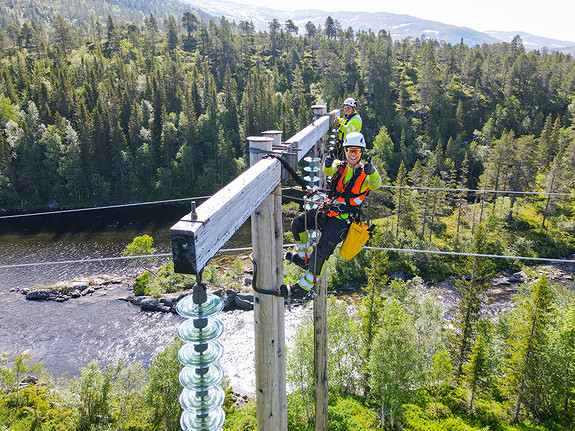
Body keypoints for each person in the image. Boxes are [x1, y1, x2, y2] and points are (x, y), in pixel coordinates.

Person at [285, 132, 381, 299]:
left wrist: (372, 172)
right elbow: (328, 169)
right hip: (327, 211)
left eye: (357, 151)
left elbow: (376, 184)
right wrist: (327, 164)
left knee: (321, 253)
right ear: (345, 150)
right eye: (350, 150)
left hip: (341, 221)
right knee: (297, 224)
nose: (353, 153)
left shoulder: (366, 173)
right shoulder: (340, 165)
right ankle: (304, 257)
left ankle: (304, 287)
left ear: (362, 153)